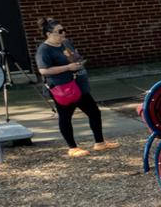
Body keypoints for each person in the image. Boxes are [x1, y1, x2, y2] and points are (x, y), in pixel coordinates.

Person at [33, 18, 113, 156]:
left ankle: (100, 143)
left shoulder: (66, 43)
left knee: (94, 112)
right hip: (62, 88)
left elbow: (75, 57)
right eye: (59, 31)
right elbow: (44, 71)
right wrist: (68, 67)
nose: (63, 33)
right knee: (65, 116)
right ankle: (72, 148)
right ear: (48, 33)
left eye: (64, 30)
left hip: (78, 84)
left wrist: (77, 61)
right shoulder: (44, 50)